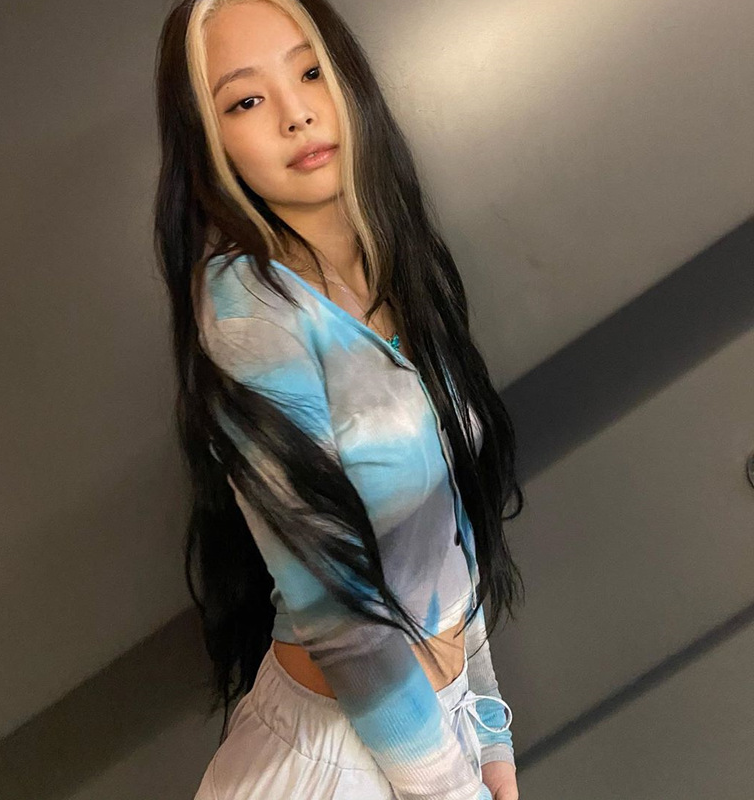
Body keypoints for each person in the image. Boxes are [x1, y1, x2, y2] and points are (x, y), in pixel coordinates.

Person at [153, 1, 526, 797]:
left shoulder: (391, 265)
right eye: (246, 100)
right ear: (209, 145)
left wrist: (488, 726)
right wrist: (453, 790)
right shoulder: (249, 311)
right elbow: (342, 617)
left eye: (311, 70)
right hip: (338, 765)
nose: (296, 113)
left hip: (434, 738)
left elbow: (443, 532)